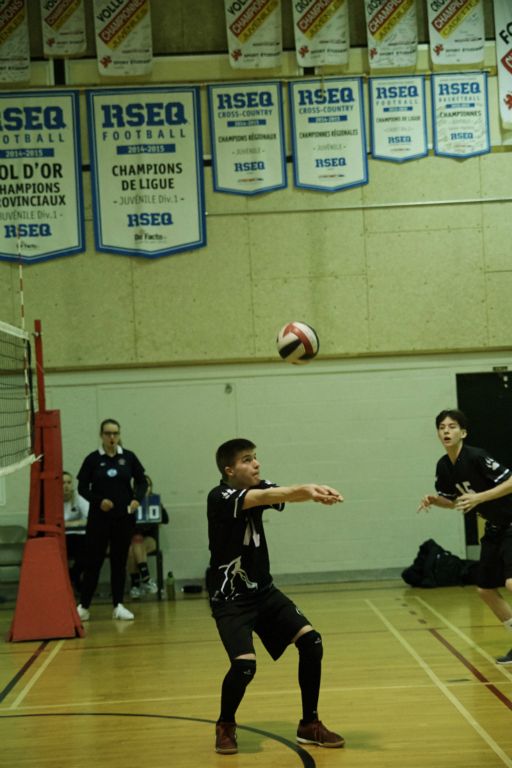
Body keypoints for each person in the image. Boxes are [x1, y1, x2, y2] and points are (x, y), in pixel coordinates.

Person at [207, 438, 345, 755]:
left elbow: (281, 493)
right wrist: (306, 489)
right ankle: (225, 724)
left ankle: (309, 724)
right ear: (229, 470)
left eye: (255, 457)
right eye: (247, 459)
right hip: (231, 598)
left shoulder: (258, 486)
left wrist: (312, 492)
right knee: (244, 667)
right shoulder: (220, 496)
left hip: (264, 592)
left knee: (312, 642)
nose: (256, 464)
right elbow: (267, 496)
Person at [418, 409, 512, 665]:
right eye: (442, 427)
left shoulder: (477, 457)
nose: (446, 431)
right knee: (485, 590)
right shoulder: (444, 466)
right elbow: (453, 501)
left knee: (511, 583)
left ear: (464, 432)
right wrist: (435, 500)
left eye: (452, 426)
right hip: (494, 528)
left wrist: (480, 497)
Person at [76, 418, 148, 622]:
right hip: (99, 520)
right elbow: (82, 488)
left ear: (119, 435)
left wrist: (136, 499)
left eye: (115, 433)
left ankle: (118, 605)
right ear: (101, 435)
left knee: (119, 562)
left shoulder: (129, 457)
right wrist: (99, 501)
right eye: (108, 433)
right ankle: (84, 606)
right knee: (93, 562)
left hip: (123, 518)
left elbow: (142, 481)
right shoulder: (92, 459)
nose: (112, 437)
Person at [127, 474, 169, 598]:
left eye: (148, 485)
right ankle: (145, 580)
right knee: (131, 548)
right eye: (142, 486)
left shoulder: (154, 501)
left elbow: (166, 520)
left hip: (150, 540)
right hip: (132, 541)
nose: (146, 488)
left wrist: (159, 507)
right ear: (135, 488)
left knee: (136, 543)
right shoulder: (130, 502)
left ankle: (136, 585)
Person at [63, 470, 89, 593]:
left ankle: (72, 576)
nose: (66, 486)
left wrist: (73, 524)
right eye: (63, 483)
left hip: (80, 536)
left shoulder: (78, 497)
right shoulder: (53, 500)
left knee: (88, 551)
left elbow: (91, 518)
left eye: (69, 482)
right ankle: (74, 579)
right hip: (63, 538)